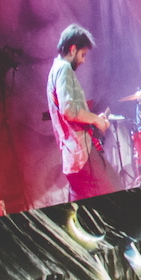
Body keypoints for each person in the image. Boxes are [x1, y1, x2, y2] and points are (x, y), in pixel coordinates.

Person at [46, 24, 118, 201]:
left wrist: (93, 119)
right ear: (72, 49)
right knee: (111, 191)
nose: (83, 60)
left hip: (73, 156)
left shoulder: (55, 70)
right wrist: (96, 120)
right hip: (81, 152)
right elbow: (69, 110)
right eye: (82, 54)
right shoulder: (64, 69)